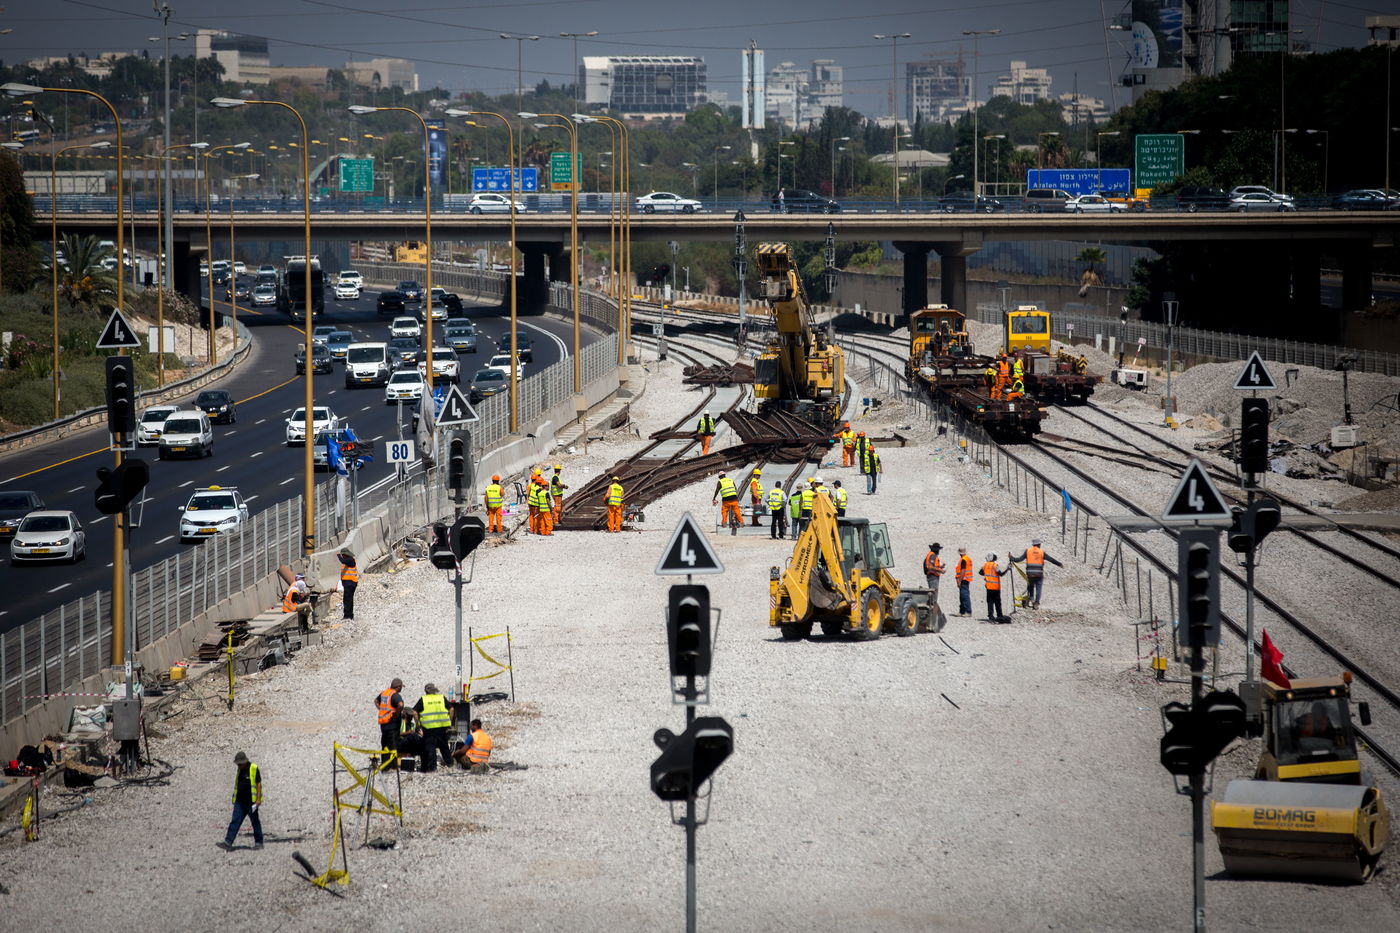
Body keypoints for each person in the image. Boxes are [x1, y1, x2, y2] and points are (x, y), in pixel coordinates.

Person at [218, 751, 264, 851]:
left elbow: (258, 784)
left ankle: (259, 843)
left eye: (240, 764)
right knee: (235, 821)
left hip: (251, 802)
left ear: (244, 762)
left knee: (255, 822)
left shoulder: (253, 768)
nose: (238, 766)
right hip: (240, 801)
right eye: (238, 764)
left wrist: (258, 800)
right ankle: (228, 842)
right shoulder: (240, 770)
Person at [1009, 538, 1064, 609]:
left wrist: (1011, 558)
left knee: (1030, 586)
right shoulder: (1041, 552)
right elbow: (1051, 559)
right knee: (1038, 588)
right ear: (1039, 544)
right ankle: (1036, 603)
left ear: (1033, 544)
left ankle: (1032, 599)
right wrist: (1059, 564)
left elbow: (1018, 559)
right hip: (1039, 574)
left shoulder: (1027, 551)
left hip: (1030, 574)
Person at [413, 684, 454, 773]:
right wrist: (449, 721)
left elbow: (414, 712)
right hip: (442, 726)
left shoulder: (424, 699)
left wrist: (418, 724)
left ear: (426, 691)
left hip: (429, 728)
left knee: (430, 748)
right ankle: (450, 765)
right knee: (444, 747)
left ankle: (432, 768)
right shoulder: (441, 698)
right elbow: (451, 709)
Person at [376, 678, 407, 759]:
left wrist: (381, 709)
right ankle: (392, 764)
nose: (401, 689)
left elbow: (376, 701)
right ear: (398, 687)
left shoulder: (384, 693)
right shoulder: (395, 695)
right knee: (393, 746)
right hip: (392, 725)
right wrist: (397, 714)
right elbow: (400, 705)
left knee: (385, 746)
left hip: (384, 724)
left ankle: (384, 763)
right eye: (401, 687)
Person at [980, 553, 1008, 622]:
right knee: (997, 602)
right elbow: (1001, 574)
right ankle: (999, 615)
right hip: (995, 587)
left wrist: (986, 576)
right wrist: (1008, 569)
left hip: (989, 587)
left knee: (990, 602)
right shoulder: (995, 565)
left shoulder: (985, 565)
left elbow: (980, 572)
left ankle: (991, 616)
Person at [337, 548, 358, 621]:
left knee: (347, 600)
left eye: (343, 555)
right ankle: (350, 615)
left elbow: (342, 561)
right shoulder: (349, 560)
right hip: (349, 583)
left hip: (350, 583)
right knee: (349, 599)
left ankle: (347, 616)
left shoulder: (350, 560)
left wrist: (338, 555)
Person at [923, 543, 945, 608]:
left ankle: (932, 606)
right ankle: (932, 608)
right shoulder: (933, 556)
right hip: (933, 576)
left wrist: (940, 567)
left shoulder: (931, 555)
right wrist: (940, 570)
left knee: (933, 592)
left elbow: (932, 566)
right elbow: (930, 567)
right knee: (934, 593)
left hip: (932, 576)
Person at [955, 547, 974, 617]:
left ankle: (968, 611)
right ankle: (962, 611)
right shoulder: (967, 559)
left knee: (964, 596)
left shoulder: (963, 560)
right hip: (966, 579)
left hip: (964, 579)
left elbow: (963, 571)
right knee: (962, 595)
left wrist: (959, 581)